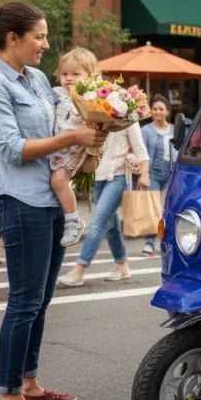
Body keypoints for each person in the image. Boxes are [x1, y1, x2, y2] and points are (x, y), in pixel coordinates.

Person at [0, 2, 106, 400]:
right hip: (20, 200)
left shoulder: (39, 79)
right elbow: (12, 148)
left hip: (48, 200)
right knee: (23, 302)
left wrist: (93, 135)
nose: (46, 45)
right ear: (14, 39)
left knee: (41, 301)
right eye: (40, 37)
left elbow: (61, 126)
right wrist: (73, 135)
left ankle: (29, 383)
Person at [57, 114, 149, 286]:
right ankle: (122, 266)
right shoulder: (95, 115)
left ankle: (79, 270)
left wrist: (145, 174)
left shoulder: (128, 117)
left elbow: (140, 148)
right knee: (111, 225)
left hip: (118, 176)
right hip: (97, 177)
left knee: (98, 222)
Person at [49, 48, 100, 247]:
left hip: (74, 147)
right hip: (57, 144)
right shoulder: (57, 93)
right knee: (56, 180)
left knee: (59, 179)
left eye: (75, 74)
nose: (69, 79)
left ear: (90, 76)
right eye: (64, 74)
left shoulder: (90, 97)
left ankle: (73, 221)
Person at [139, 95, 175, 257]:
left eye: (161, 109)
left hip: (171, 174)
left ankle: (165, 243)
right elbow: (141, 152)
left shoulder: (174, 130)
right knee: (153, 209)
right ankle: (149, 243)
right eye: (154, 109)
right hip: (152, 173)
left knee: (168, 210)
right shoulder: (145, 131)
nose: (157, 112)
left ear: (167, 111)